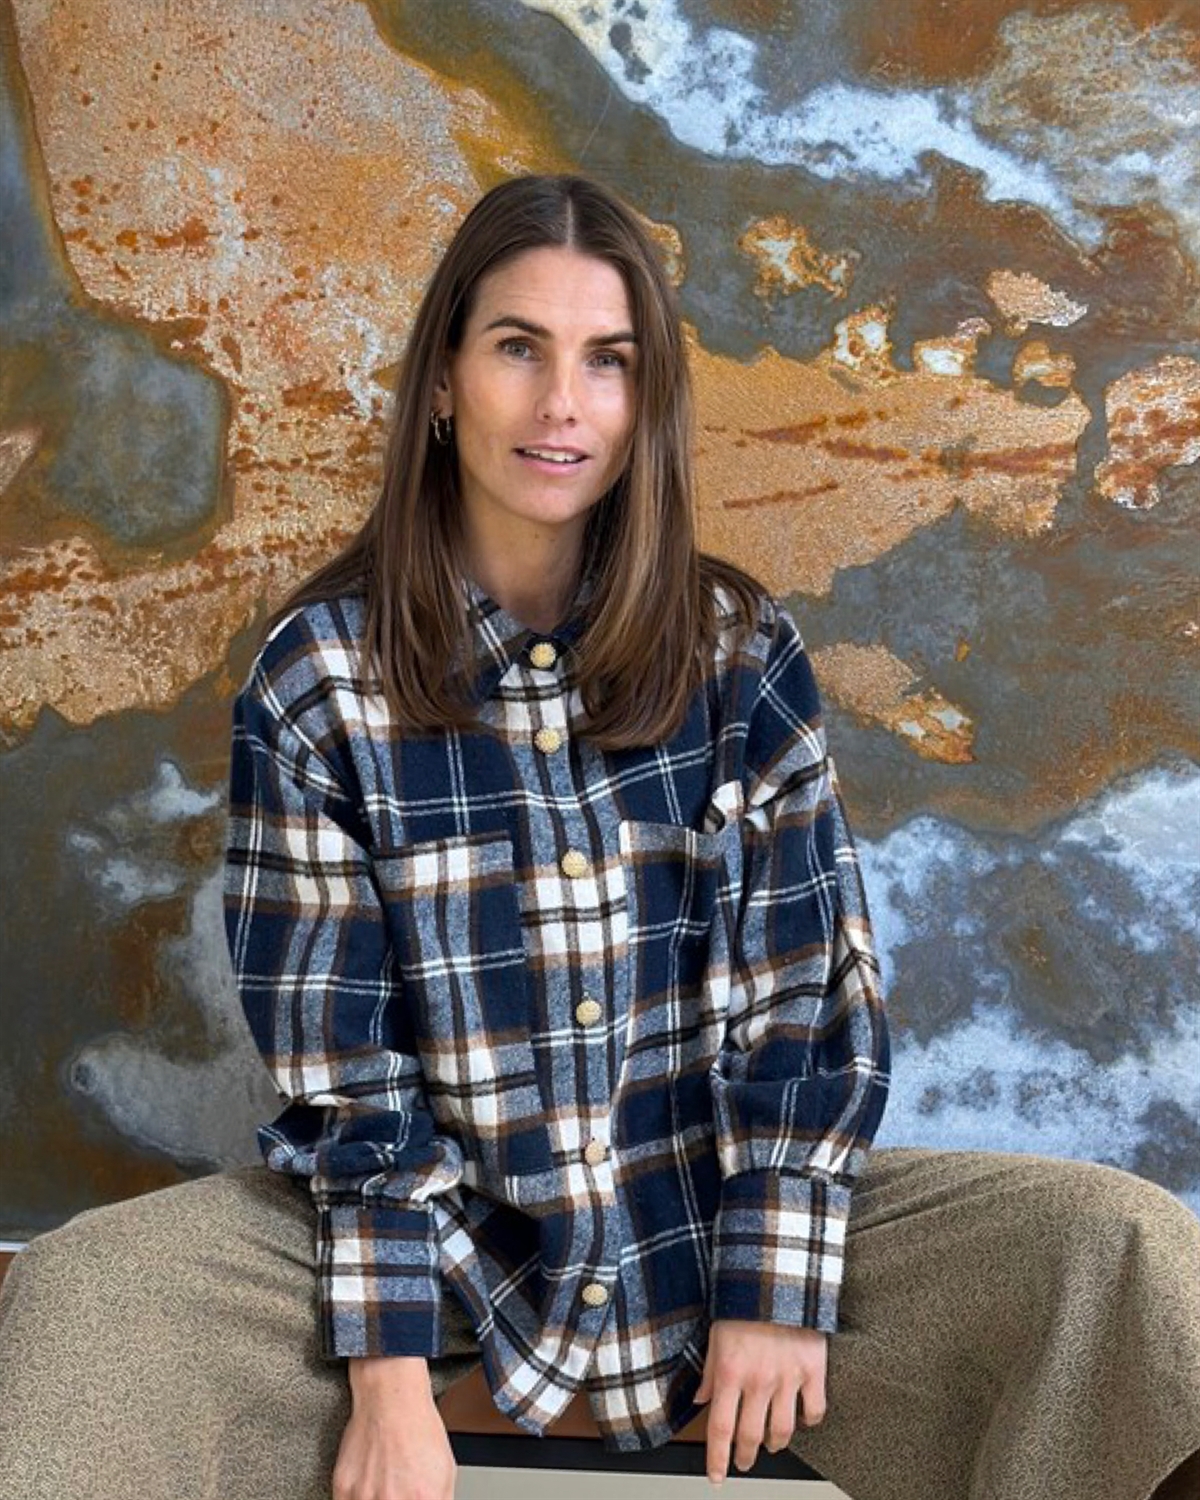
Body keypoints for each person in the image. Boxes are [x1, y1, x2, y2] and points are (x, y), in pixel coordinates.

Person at [0, 173, 1197, 1500]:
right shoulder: (317, 678)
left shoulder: (740, 652)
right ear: (444, 379)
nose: (562, 404)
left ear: (646, 401)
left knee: (1121, 1252)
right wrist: (388, 1383)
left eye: (608, 361)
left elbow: (805, 997)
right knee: (84, 1299)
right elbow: (345, 1073)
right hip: (442, 1251)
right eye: (519, 348)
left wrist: (777, 1283)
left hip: (710, 1212)